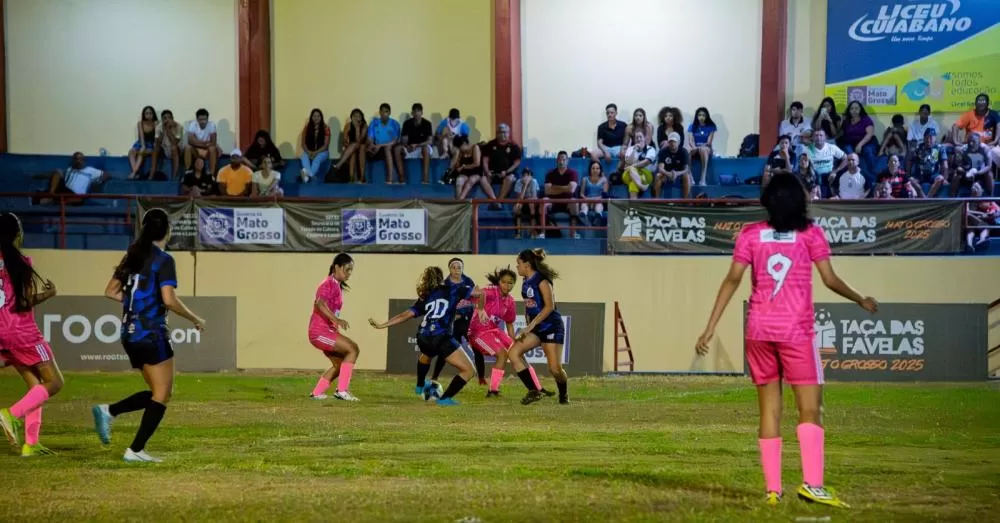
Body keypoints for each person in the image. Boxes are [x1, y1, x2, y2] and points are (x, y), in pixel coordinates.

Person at [695, 172, 878, 508]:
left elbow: (731, 281)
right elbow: (830, 279)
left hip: (759, 332)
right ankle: (812, 484)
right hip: (796, 332)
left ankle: (773, 492)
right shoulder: (811, 234)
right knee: (810, 408)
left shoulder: (751, 235)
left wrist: (710, 327)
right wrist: (859, 299)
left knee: (770, 411)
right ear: (799, 201)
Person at [91, 209, 205, 463]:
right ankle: (135, 449)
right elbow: (169, 299)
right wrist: (195, 319)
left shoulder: (133, 256)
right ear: (167, 231)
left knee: (156, 391)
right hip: (151, 332)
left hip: (128, 333)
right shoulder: (164, 260)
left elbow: (110, 291)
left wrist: (136, 303)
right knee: (163, 393)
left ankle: (109, 411)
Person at [0, 212, 63, 457]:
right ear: (18, 234)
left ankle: (31, 444)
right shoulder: (21, 262)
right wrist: (50, 293)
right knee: (55, 382)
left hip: (2, 332)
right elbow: (24, 302)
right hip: (22, 332)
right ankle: (10, 415)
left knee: (35, 385)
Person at [369, 266, 477, 406]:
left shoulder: (425, 297)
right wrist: (479, 304)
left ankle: (420, 385)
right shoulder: (452, 289)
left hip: (423, 338)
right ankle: (444, 399)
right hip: (441, 337)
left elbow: (405, 315)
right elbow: (478, 293)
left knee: (427, 354)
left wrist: (382, 325)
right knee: (469, 370)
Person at [471, 267, 549, 398]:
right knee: (502, 354)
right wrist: (479, 308)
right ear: (499, 282)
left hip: (494, 330)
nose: (507, 286)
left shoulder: (510, 301)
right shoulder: (490, 291)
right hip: (478, 332)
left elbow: (509, 323)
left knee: (518, 352)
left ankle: (538, 387)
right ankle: (493, 391)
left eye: (510, 282)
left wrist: (514, 340)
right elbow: (476, 291)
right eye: (504, 282)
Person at [506, 249, 568, 405]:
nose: (517, 267)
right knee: (513, 353)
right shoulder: (525, 281)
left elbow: (549, 307)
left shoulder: (542, 280)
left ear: (527, 264)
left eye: (518, 263)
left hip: (551, 327)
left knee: (555, 370)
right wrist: (529, 324)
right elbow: (529, 306)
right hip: (536, 328)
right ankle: (534, 391)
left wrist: (529, 327)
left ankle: (563, 396)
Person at [306, 253, 361, 402]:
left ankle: (317, 392)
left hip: (327, 331)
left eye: (351, 270)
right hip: (319, 332)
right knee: (353, 349)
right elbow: (320, 303)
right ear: (336, 267)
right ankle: (342, 391)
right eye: (347, 269)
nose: (349, 273)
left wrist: (334, 325)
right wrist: (335, 319)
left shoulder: (336, 285)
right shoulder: (328, 283)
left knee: (340, 364)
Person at [430, 259, 482, 385]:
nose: (457, 270)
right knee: (445, 350)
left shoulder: (468, 281)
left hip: (468, 321)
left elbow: (475, 298)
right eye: (454, 267)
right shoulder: (445, 284)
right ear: (450, 269)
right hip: (453, 323)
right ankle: (434, 377)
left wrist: (477, 310)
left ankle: (481, 379)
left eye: (459, 267)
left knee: (477, 348)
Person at [394, 103, 434, 184]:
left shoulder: (427, 124)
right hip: (410, 148)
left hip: (421, 147)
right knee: (397, 149)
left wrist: (417, 145)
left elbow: (430, 141)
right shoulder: (407, 123)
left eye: (418, 111)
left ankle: (425, 179)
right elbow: (403, 139)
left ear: (422, 113)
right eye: (414, 112)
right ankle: (402, 179)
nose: (416, 114)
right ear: (412, 113)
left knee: (426, 148)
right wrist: (406, 145)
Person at [300, 108, 331, 183]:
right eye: (314, 116)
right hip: (309, 151)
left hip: (323, 152)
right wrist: (309, 152)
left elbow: (326, 146)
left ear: (321, 117)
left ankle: (308, 175)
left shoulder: (326, 128)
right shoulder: (307, 128)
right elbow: (303, 144)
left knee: (317, 160)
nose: (316, 118)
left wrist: (315, 153)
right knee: (303, 157)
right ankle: (310, 176)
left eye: (318, 116)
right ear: (311, 117)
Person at [128, 106, 159, 180]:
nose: (148, 115)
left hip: (150, 144)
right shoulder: (140, 123)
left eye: (150, 113)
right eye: (147, 113)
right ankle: (136, 172)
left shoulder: (156, 123)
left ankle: (134, 173)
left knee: (141, 152)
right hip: (141, 142)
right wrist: (143, 145)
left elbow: (156, 137)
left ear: (153, 114)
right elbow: (141, 136)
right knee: (131, 152)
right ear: (144, 114)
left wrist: (146, 147)